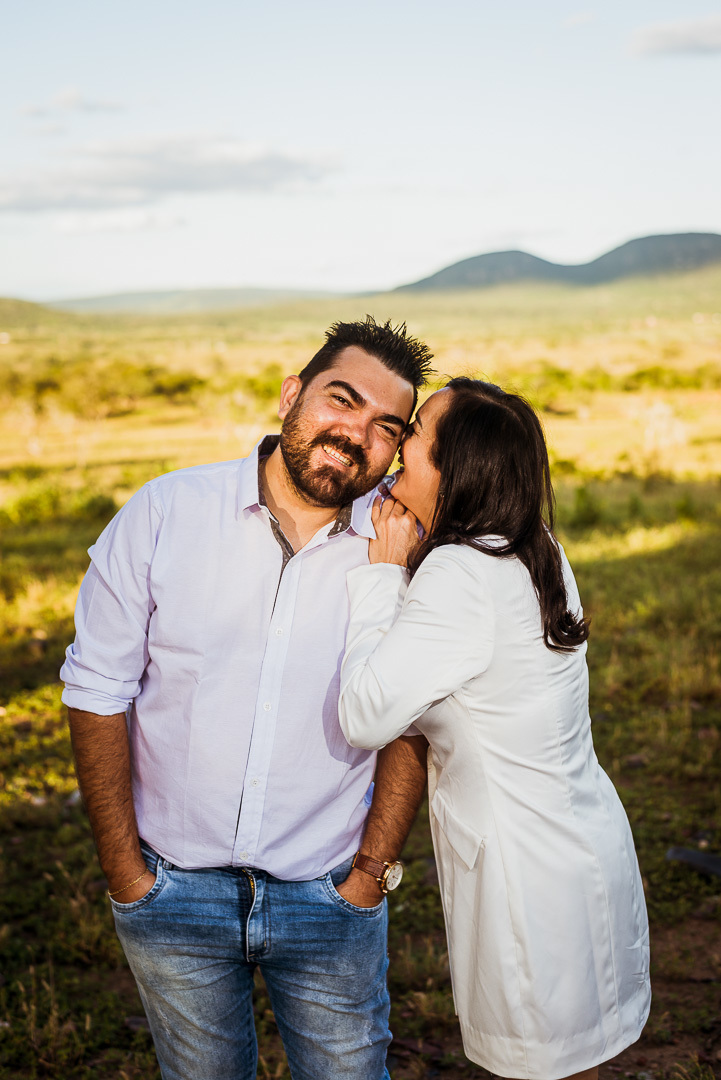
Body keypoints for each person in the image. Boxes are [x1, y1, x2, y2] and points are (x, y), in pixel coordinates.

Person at [60, 316, 435, 1080]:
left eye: (383, 425)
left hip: (331, 894)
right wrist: (126, 873)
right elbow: (96, 692)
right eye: (340, 399)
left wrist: (370, 874)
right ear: (289, 395)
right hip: (170, 892)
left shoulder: (401, 547)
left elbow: (412, 722)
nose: (353, 432)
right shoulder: (164, 514)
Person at [338, 378, 652, 1080]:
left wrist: (381, 578)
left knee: (544, 1065)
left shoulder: (459, 571)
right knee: (580, 1062)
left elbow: (363, 714)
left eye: (414, 434)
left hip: (526, 882)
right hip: (581, 845)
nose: (397, 447)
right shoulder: (533, 544)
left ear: (455, 470)